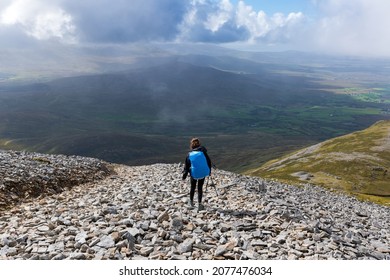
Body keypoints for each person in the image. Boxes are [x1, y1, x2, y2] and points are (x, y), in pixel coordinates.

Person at [182, 138, 212, 211]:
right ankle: (199, 204)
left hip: (194, 173)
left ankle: (191, 203)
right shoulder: (203, 152)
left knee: (192, 187)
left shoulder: (189, 154)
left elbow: (186, 166)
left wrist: (184, 176)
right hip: (202, 172)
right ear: (199, 144)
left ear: (191, 145)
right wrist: (209, 171)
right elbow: (209, 162)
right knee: (200, 188)